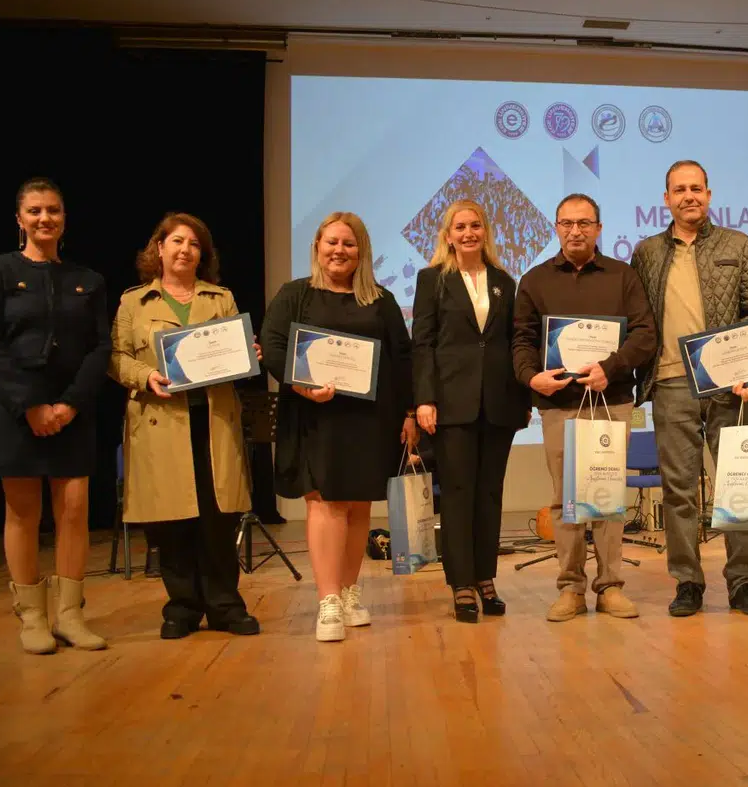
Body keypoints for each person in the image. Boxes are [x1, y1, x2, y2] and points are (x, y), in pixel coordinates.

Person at [0, 177, 110, 654]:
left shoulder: (89, 280)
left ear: (64, 218)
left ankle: (69, 615)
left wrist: (69, 404)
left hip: (71, 410)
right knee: (23, 511)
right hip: (14, 410)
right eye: (35, 211)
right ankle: (31, 617)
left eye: (53, 210)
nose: (44, 218)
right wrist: (31, 405)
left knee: (74, 510)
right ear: (19, 219)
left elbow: (100, 347)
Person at [261, 212, 416, 640]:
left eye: (349, 243)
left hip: (370, 419)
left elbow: (402, 358)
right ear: (317, 246)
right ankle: (327, 599)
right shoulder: (296, 295)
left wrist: (408, 413)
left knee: (358, 505)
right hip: (315, 416)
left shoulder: (380, 300)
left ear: (361, 251)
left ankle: (349, 591)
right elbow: (273, 347)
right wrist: (302, 385)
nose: (339, 250)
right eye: (332, 242)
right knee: (325, 503)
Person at [109, 213, 260, 639]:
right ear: (159, 248)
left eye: (194, 244)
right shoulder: (133, 302)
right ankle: (182, 608)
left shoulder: (221, 299)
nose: (185, 250)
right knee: (170, 520)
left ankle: (225, 606)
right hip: (160, 422)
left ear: (202, 254)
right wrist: (145, 376)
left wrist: (247, 354)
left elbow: (234, 355)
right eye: (177, 241)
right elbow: (116, 358)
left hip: (213, 421)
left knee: (218, 518)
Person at [631, 160, 748, 618]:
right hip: (671, 382)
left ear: (709, 194)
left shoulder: (738, 243)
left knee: (738, 485)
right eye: (679, 189)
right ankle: (687, 581)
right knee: (679, 490)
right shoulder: (646, 252)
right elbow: (640, 320)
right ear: (666, 198)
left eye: (696, 188)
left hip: (730, 384)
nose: (689, 196)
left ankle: (742, 581)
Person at [512, 193, 656, 622]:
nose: (576, 231)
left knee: (607, 498)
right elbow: (521, 341)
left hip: (611, 402)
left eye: (584, 223)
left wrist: (611, 368)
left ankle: (610, 587)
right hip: (559, 405)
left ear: (598, 228)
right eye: (567, 223)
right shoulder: (535, 280)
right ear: (556, 228)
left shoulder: (623, 276)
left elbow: (645, 335)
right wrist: (531, 377)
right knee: (565, 500)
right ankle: (570, 589)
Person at [412, 200, 528, 622]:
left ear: (485, 232)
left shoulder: (504, 281)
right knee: (458, 493)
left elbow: (515, 343)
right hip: (451, 402)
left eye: (475, 225)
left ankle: (485, 577)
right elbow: (423, 343)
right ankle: (461, 583)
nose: (468, 233)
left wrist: (522, 399)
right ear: (448, 235)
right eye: (459, 227)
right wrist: (424, 399)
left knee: (490, 494)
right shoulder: (432, 280)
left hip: (499, 402)